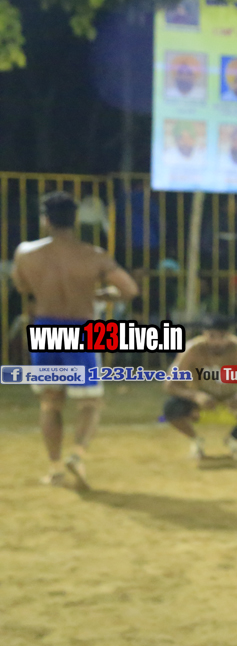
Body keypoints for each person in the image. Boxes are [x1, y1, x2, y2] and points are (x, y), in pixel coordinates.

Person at [11, 192, 140, 488]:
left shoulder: (26, 252)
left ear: (45, 220)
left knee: (50, 402)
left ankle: (55, 467)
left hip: (45, 328)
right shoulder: (93, 255)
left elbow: (21, 285)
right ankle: (77, 454)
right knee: (90, 402)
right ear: (75, 219)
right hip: (82, 329)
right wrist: (100, 294)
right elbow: (129, 289)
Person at [161, 315, 237, 460]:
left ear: (229, 335)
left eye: (222, 336)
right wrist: (195, 396)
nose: (217, 342)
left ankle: (234, 437)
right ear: (204, 334)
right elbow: (169, 383)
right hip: (200, 399)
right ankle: (196, 440)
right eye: (212, 336)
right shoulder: (192, 349)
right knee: (171, 407)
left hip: (232, 398)